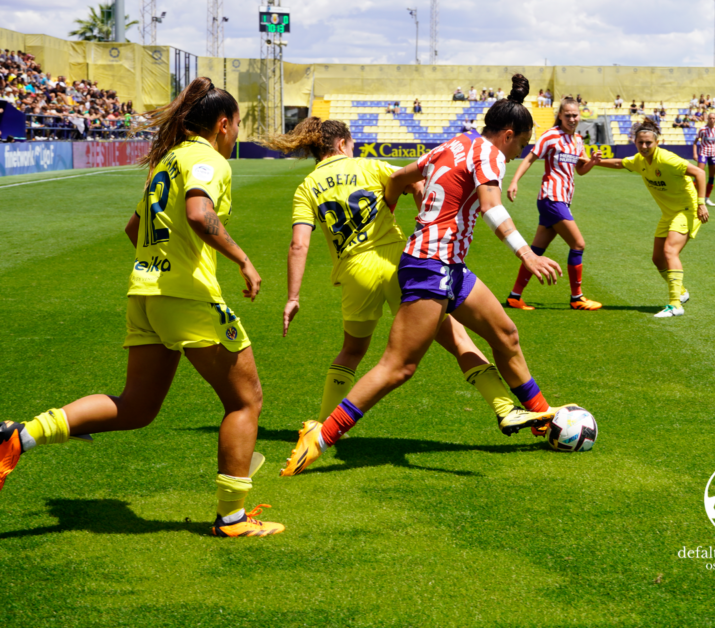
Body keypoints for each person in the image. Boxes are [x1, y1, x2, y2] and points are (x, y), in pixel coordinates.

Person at [0, 77, 284, 537]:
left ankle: (21, 435)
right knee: (245, 401)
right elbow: (199, 213)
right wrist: (243, 260)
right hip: (187, 296)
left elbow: (135, 229)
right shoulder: (207, 159)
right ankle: (232, 518)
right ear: (223, 124)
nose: (235, 135)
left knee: (135, 407)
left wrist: (162, 264)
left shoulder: (166, 161)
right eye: (237, 126)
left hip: (145, 293)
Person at [278, 75, 567, 476]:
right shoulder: (490, 154)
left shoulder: (456, 142)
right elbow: (490, 206)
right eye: (521, 145)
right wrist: (527, 254)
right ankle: (321, 436)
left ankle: (544, 419)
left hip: (445, 264)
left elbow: (400, 178)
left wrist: (397, 206)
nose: (521, 153)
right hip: (431, 264)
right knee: (398, 366)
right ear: (507, 135)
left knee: (506, 334)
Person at [591, 118, 709, 318]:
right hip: (669, 213)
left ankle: (675, 305)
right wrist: (594, 161)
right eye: (641, 142)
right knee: (657, 258)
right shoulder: (639, 160)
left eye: (648, 143)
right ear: (635, 142)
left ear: (657, 142)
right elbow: (619, 163)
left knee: (670, 251)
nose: (644, 146)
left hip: (687, 209)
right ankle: (681, 292)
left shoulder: (668, 159)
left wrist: (701, 203)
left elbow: (699, 172)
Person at [504, 97, 603, 311]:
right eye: (567, 115)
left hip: (561, 200)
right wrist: (514, 181)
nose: (572, 119)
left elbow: (580, 170)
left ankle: (514, 296)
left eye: (575, 115)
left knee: (536, 251)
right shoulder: (551, 136)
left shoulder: (578, 140)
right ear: (560, 115)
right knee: (578, 244)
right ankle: (577, 298)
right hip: (552, 198)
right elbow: (530, 158)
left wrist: (593, 161)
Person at [693, 112, 715, 207]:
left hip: (713, 155)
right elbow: (695, 142)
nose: (711, 120)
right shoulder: (702, 129)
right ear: (707, 119)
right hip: (703, 153)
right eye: (710, 118)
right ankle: (692, 196)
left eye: (713, 118)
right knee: (698, 174)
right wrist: (695, 154)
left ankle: (706, 198)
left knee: (711, 177)